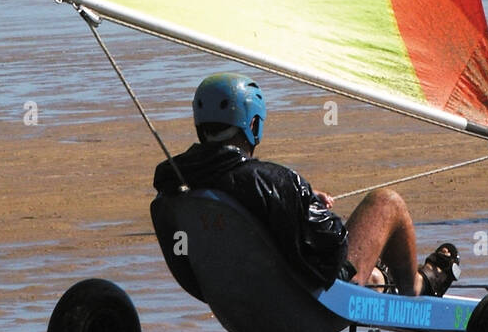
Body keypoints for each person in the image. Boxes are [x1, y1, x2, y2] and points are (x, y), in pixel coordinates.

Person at [153, 72, 461, 296]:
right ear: (254, 125)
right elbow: (333, 249)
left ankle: (382, 275)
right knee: (386, 202)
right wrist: (310, 205)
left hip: (234, 304)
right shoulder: (275, 181)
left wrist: (302, 200)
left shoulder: (176, 181)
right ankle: (415, 288)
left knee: (370, 263)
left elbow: (240, 192)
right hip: (307, 306)